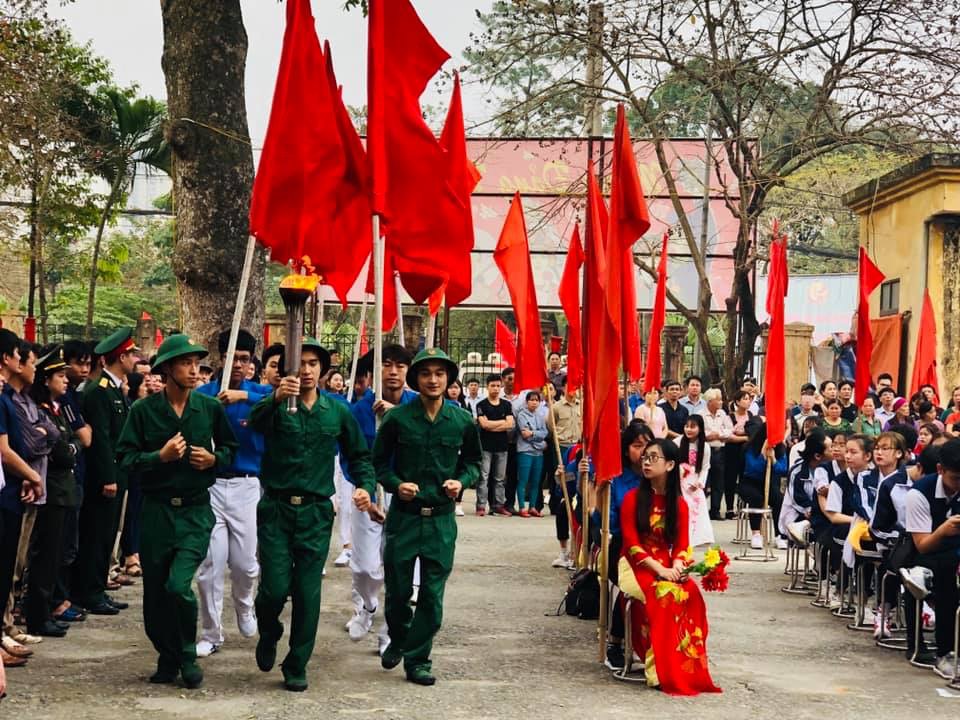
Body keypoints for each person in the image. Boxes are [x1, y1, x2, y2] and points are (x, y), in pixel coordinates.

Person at [246, 336, 374, 691]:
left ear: (322, 370)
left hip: (316, 512)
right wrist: (274, 396)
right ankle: (269, 631)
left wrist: (364, 485)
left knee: (307, 591)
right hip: (276, 508)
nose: (305, 370)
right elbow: (252, 424)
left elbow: (358, 455)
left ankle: (297, 662)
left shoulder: (336, 411)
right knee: (273, 588)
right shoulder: (274, 404)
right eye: (298, 363)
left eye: (312, 364)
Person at [116, 334, 238, 688]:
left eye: (196, 363)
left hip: (195, 513)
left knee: (178, 585)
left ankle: (186, 653)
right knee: (155, 594)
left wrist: (214, 459)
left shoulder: (210, 408)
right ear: (167, 369)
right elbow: (124, 459)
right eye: (185, 363)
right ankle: (167, 656)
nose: (194, 370)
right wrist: (159, 457)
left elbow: (231, 449)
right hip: (156, 513)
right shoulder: (143, 411)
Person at [364, 347, 482, 686]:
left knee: (431, 595)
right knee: (399, 592)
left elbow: (474, 463)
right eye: (426, 373)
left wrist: (461, 482)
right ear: (416, 379)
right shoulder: (397, 418)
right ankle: (399, 637)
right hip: (404, 518)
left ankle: (417, 659)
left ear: (449, 379)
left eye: (440, 374)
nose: (433, 379)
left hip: (441, 520)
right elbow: (379, 464)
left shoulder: (461, 420)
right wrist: (397, 485)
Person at [193, 329, 272, 658]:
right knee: (210, 565)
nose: (238, 364)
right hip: (211, 485)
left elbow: (280, 400)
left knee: (244, 564)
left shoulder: (259, 394)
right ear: (221, 358)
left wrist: (244, 398)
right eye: (232, 358)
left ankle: (244, 606)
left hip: (246, 486)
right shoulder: (207, 395)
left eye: (244, 359)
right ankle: (211, 632)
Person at [619, 438, 720, 695]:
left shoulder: (679, 505)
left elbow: (684, 545)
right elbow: (631, 544)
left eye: (654, 457)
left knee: (691, 595)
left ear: (671, 464)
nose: (647, 462)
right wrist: (660, 570)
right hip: (635, 564)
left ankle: (684, 667)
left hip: (666, 563)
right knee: (663, 595)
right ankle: (658, 669)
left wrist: (677, 565)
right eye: (645, 457)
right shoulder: (632, 499)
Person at [343, 344, 418, 653]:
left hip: (405, 493)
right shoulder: (360, 410)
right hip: (369, 493)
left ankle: (390, 630)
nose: (393, 371)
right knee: (365, 567)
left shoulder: (417, 405)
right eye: (386, 364)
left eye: (400, 366)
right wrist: (364, 491)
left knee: (399, 570)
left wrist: (398, 417)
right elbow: (352, 455)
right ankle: (368, 606)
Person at [73, 327, 138, 616]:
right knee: (96, 536)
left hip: (118, 475)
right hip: (105, 479)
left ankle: (98, 588)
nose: (135, 359)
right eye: (132, 354)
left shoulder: (115, 390)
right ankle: (89, 591)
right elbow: (101, 439)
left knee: (107, 534)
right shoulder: (99, 392)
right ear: (120, 357)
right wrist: (109, 477)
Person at [26, 347, 82, 638]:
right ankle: (38, 614)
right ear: (46, 380)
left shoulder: (57, 410)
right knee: (45, 556)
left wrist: (69, 447)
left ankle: (45, 610)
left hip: (64, 490)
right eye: (60, 376)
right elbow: (63, 453)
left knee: (57, 554)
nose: (66, 381)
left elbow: (73, 443)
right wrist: (69, 448)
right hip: (53, 489)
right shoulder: (40, 410)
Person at [902, 438, 960, 679]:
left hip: (955, 553)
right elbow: (922, 545)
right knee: (945, 579)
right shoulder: (919, 494)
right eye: (955, 478)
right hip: (925, 554)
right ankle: (944, 651)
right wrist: (944, 529)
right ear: (940, 470)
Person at [601, 421, 654, 670]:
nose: (643, 453)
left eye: (648, 446)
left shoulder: (662, 478)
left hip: (655, 547)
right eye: (637, 446)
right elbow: (606, 523)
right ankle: (616, 642)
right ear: (625, 450)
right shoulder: (617, 480)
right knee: (633, 585)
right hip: (622, 546)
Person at [740, 424, 788, 549]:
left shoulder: (781, 449)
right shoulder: (750, 448)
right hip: (750, 482)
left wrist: (773, 459)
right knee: (757, 498)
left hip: (770, 483)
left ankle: (779, 534)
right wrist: (762, 453)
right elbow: (752, 468)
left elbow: (783, 470)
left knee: (779, 500)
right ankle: (756, 533)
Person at [779, 431, 830, 543]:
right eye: (830, 448)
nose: (833, 450)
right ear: (817, 456)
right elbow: (796, 498)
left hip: (820, 512)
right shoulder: (797, 471)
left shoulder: (830, 469)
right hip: (798, 513)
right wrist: (809, 509)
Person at [476, 373, 514, 516]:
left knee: (500, 479)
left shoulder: (506, 404)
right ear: (487, 387)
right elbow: (484, 425)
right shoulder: (482, 404)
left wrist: (493, 424)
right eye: (493, 386)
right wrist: (501, 423)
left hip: (502, 447)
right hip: (485, 446)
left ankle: (498, 505)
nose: (496, 389)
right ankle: (481, 506)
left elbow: (510, 424)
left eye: (498, 386)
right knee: (483, 477)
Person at [675, 414, 713, 547]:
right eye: (687, 426)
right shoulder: (677, 442)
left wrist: (700, 482)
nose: (689, 430)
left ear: (700, 428)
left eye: (693, 427)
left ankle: (698, 537)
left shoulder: (705, 447)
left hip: (695, 482)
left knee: (698, 508)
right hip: (680, 481)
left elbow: (705, 467)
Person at [699, 388, 732, 520]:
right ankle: (701, 510)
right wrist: (709, 436)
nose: (720, 402)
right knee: (704, 481)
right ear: (710, 401)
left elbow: (729, 429)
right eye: (718, 400)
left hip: (720, 450)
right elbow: (701, 431)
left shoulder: (722, 413)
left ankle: (715, 510)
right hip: (706, 449)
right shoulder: (701, 414)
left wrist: (719, 435)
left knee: (719, 482)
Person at [515, 390, 548, 517]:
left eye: (536, 400)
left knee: (536, 481)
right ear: (526, 401)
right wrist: (540, 441)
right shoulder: (522, 415)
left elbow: (544, 432)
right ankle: (522, 507)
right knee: (523, 480)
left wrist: (533, 433)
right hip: (525, 451)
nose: (534, 403)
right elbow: (524, 435)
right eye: (532, 400)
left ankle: (533, 506)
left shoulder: (540, 416)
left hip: (538, 453)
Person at [723, 390, 753, 520]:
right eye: (745, 399)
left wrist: (741, 434)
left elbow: (755, 432)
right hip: (731, 451)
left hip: (747, 451)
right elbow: (728, 436)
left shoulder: (752, 415)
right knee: (730, 479)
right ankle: (730, 509)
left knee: (744, 479)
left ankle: (742, 508)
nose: (748, 401)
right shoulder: (729, 416)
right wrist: (746, 436)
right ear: (737, 402)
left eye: (749, 399)